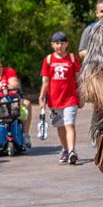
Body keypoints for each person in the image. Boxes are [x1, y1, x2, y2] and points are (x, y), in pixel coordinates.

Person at [39, 31, 82, 165]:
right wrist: (41, 97)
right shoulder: (48, 60)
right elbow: (45, 81)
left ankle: (72, 151)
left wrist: (82, 95)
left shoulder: (72, 58)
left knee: (69, 124)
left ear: (66, 44)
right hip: (54, 100)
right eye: (57, 43)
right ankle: (65, 149)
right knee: (60, 126)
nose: (59, 45)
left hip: (70, 99)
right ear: (52, 45)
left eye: (62, 43)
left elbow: (79, 79)